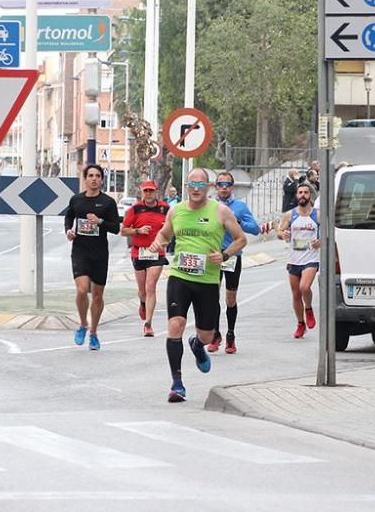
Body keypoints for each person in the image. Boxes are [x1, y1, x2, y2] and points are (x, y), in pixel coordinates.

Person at [148, 168, 248, 402]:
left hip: (207, 281)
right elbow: (164, 235)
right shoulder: (176, 211)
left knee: (206, 335)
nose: (196, 189)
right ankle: (177, 384)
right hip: (180, 277)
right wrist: (157, 243)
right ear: (186, 187)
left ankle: (197, 344)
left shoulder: (221, 211)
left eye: (201, 185)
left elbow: (241, 239)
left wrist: (224, 256)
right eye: (192, 184)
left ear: (208, 187)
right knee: (176, 324)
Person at [64, 164, 121, 351]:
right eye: (91, 175)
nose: (94, 178)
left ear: (102, 180)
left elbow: (115, 227)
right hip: (80, 251)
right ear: (85, 178)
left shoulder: (108, 202)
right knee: (81, 290)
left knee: (97, 296)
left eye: (97, 175)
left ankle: (94, 332)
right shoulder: (76, 200)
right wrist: (69, 231)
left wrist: (100, 221)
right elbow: (68, 217)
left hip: (99, 254)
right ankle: (82, 324)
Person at [208, 171, 260, 354]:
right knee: (212, 297)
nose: (224, 187)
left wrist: (238, 222)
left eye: (227, 184)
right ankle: (215, 334)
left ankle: (230, 334)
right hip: (212, 256)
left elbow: (255, 229)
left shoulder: (240, 207)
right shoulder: (209, 206)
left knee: (230, 299)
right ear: (215, 187)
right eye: (220, 184)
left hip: (231, 257)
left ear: (232, 187)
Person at [120, 180, 170, 337]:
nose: (148, 194)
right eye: (146, 191)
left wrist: (166, 241)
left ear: (156, 192)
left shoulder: (165, 208)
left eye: (151, 191)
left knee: (150, 287)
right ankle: (142, 303)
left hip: (157, 254)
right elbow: (123, 231)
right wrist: (138, 231)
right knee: (142, 290)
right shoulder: (135, 209)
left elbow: (172, 228)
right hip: (139, 252)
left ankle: (148, 324)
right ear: (142, 192)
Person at [277, 182, 320, 338]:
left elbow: (328, 234)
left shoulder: (317, 214)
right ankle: (300, 324)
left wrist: (320, 241)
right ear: (296, 195)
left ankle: (308, 308)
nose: (302, 195)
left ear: (310, 196)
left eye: (305, 192)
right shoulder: (290, 215)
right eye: (300, 192)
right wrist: (283, 234)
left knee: (304, 287)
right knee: (295, 294)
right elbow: (279, 231)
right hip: (294, 259)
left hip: (311, 258)